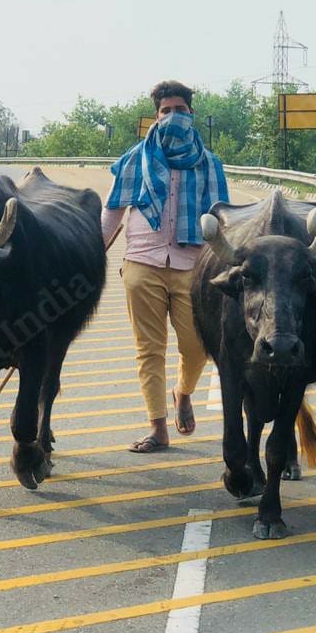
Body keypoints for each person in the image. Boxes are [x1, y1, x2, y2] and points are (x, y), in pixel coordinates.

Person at [101, 80, 229, 453]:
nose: (173, 117)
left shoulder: (210, 164)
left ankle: (183, 392)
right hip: (142, 261)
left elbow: (222, 220)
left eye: (180, 111)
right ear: (155, 117)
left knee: (196, 347)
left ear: (192, 115)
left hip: (193, 266)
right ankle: (158, 427)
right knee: (149, 349)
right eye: (165, 111)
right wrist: (92, 253)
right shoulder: (134, 159)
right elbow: (113, 214)